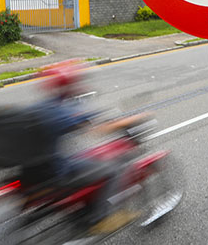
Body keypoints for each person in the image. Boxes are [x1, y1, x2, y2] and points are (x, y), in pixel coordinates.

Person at [31, 63, 138, 236]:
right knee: (114, 169)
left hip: (37, 169)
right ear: (69, 85)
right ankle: (102, 218)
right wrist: (134, 119)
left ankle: (85, 206)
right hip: (57, 171)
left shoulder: (40, 106)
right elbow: (98, 128)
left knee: (83, 156)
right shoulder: (63, 110)